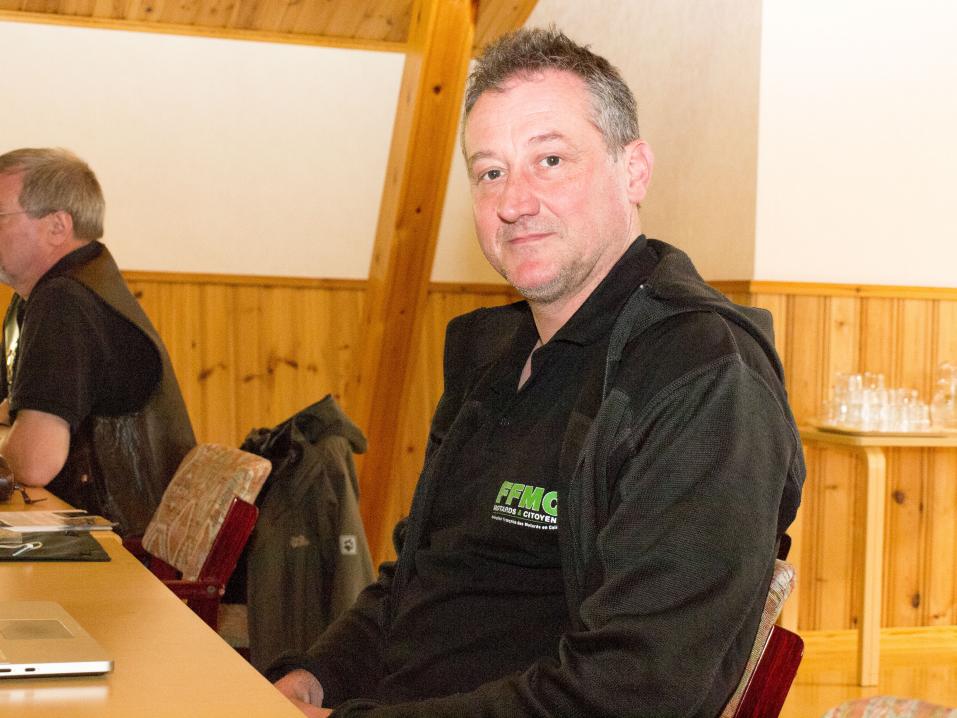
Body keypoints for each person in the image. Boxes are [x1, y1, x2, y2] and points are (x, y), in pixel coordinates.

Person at [271, 27, 805, 718]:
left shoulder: (703, 381)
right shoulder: (490, 356)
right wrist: (314, 677)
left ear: (633, 170)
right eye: (489, 172)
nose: (513, 201)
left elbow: (634, 691)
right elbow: (422, 579)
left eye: (549, 160)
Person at [0, 148, 195, 535]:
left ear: (57, 227)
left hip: (124, 547)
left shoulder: (66, 300)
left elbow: (34, 462)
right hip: (97, 530)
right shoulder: (41, 296)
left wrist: (14, 426)